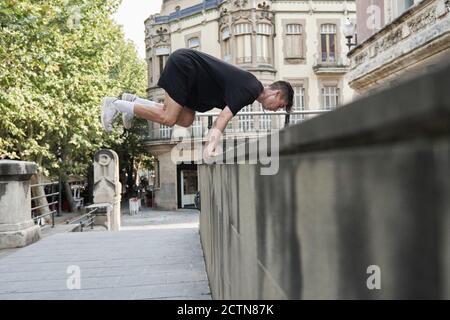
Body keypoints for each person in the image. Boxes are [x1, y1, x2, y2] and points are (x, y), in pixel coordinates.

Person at [101, 48, 293, 157]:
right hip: (185, 68)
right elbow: (222, 119)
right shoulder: (251, 89)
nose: (277, 110)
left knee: (185, 119)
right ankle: (115, 104)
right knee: (169, 118)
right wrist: (211, 147)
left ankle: (132, 102)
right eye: (281, 105)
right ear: (275, 94)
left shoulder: (252, 87)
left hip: (193, 84)